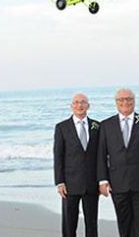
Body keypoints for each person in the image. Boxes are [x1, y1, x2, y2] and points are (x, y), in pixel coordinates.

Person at [97, 88, 139, 237]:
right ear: (116, 103)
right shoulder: (106, 125)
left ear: (134, 101)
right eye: (121, 99)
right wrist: (102, 180)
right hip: (118, 183)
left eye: (128, 99)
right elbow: (101, 155)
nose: (125, 102)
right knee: (124, 223)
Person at [53, 93, 101, 237]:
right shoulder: (62, 127)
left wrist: (102, 180)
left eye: (83, 102)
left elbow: (101, 156)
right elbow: (58, 156)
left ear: (88, 106)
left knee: (91, 223)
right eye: (76, 102)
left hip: (92, 182)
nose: (80, 105)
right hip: (70, 183)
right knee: (69, 223)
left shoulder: (97, 126)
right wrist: (60, 182)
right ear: (71, 106)